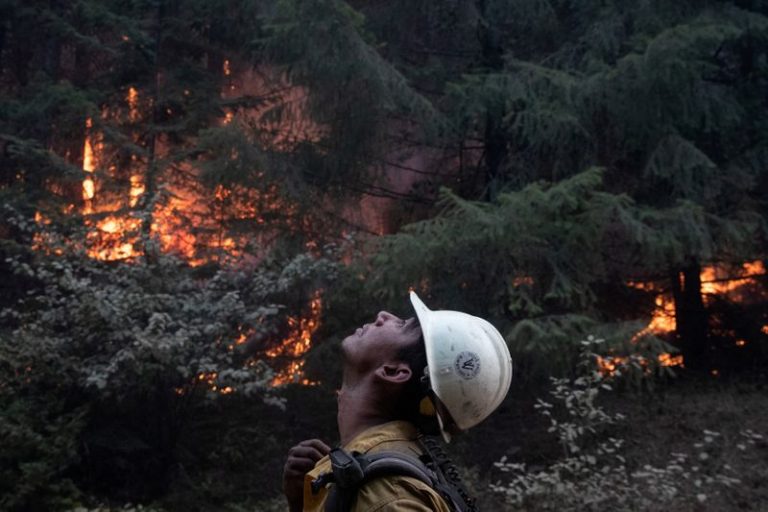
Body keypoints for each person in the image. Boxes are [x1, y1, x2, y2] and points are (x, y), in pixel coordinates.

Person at [282, 292, 512, 511]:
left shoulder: (387, 496)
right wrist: (299, 506)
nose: (384, 315)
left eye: (403, 326)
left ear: (393, 372)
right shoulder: (375, 479)